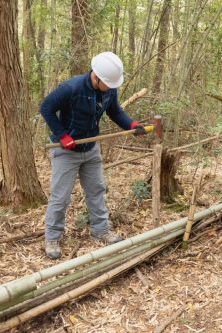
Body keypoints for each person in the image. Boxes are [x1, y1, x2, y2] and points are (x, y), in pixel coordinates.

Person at [39, 51, 146, 260]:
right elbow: (46, 108)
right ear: (95, 76)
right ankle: (52, 237)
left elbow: (115, 112)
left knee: (97, 190)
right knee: (60, 197)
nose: (111, 88)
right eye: (108, 83)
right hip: (66, 151)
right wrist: (61, 135)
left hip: (91, 148)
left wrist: (132, 125)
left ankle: (101, 230)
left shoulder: (109, 90)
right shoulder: (71, 88)